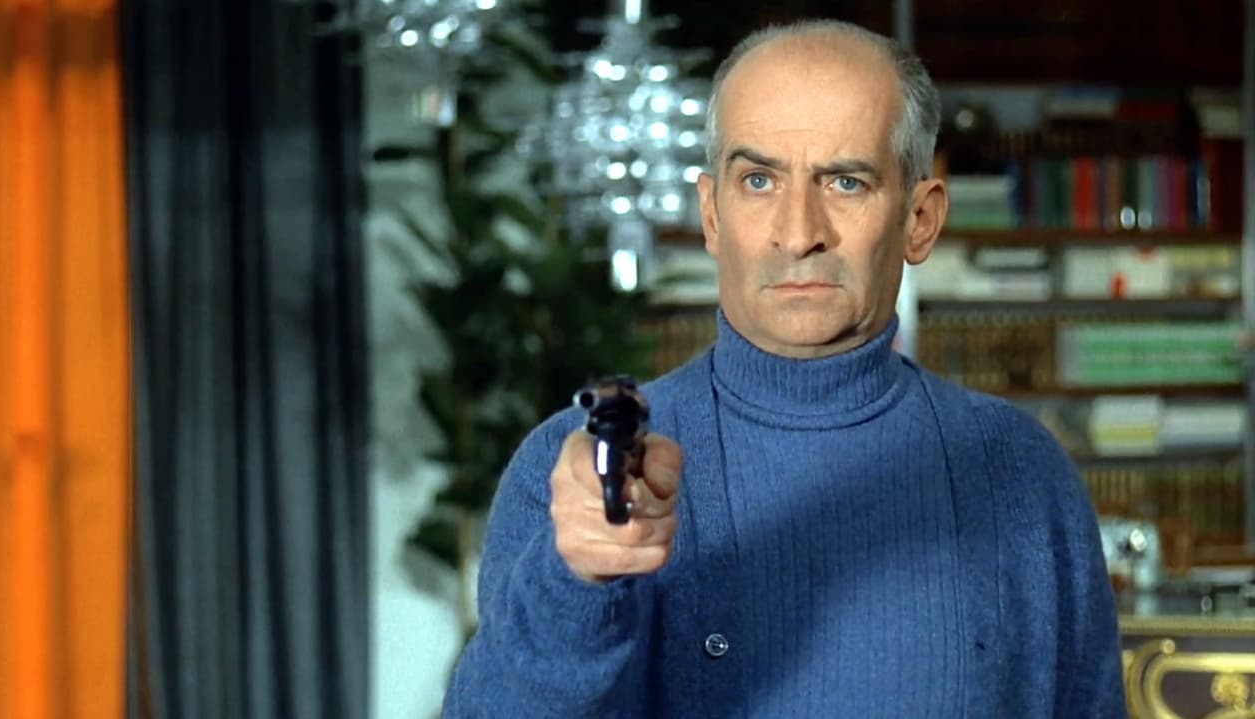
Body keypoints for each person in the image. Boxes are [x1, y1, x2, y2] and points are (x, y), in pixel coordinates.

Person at [443, 18, 1126, 718]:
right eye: (759, 180)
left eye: (847, 182)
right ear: (712, 216)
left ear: (919, 220)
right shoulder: (573, 474)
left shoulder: (1022, 473)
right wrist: (576, 581)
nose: (799, 234)